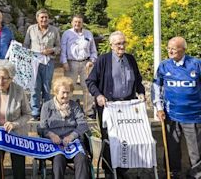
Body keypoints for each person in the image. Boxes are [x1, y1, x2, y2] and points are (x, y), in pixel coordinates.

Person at [86, 31, 145, 178]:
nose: (122, 46)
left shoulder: (130, 59)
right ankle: (110, 172)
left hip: (127, 107)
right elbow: (90, 81)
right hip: (109, 107)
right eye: (118, 43)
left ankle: (123, 171)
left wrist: (141, 92)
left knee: (127, 138)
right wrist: (98, 95)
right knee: (110, 139)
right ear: (111, 45)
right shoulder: (103, 60)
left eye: (123, 43)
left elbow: (137, 79)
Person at [153, 36, 201, 179]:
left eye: (173, 48)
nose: (170, 51)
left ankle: (196, 175)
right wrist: (159, 108)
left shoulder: (196, 64)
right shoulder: (164, 66)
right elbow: (156, 87)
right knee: (171, 149)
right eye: (168, 48)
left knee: (196, 151)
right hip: (171, 115)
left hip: (193, 116)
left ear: (183, 49)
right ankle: (173, 173)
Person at [38, 76, 90, 179]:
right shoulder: (47, 106)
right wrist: (51, 135)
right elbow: (42, 127)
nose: (66, 95)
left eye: (68, 92)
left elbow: (83, 124)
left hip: (73, 142)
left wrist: (72, 136)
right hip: (55, 143)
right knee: (58, 159)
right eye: (63, 92)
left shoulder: (74, 106)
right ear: (55, 92)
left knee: (82, 159)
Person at [24, 8, 61, 120]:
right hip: (34, 62)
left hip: (48, 62)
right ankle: (35, 111)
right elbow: (26, 45)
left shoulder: (54, 30)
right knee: (35, 87)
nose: (44, 19)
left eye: (46, 17)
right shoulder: (31, 29)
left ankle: (47, 110)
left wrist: (51, 50)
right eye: (42, 17)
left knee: (46, 87)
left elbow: (59, 47)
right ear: (37, 19)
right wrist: (27, 57)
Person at [60, 14, 97, 118]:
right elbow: (63, 49)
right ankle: (68, 109)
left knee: (88, 88)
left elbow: (93, 50)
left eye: (79, 22)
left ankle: (88, 111)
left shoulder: (88, 34)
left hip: (86, 64)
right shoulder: (67, 34)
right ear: (72, 22)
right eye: (75, 22)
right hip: (71, 63)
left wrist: (92, 61)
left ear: (82, 23)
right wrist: (64, 62)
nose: (77, 24)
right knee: (68, 88)